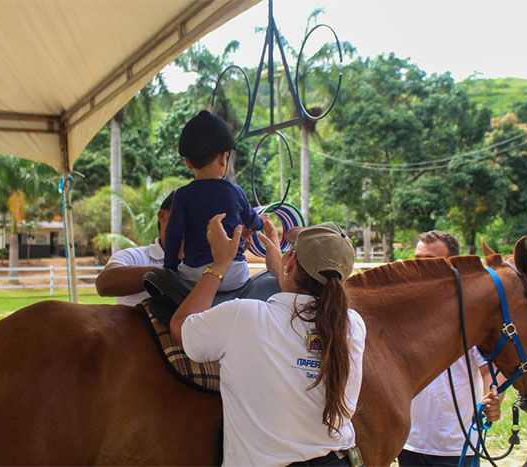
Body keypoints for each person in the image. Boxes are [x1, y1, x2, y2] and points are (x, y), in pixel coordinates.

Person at [169, 215, 366, 466]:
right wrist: (283, 271)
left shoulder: (242, 316)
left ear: (292, 260)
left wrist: (219, 264)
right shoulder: (352, 325)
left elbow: (181, 326)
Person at [398, 230, 504, 467]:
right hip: (409, 443)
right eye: (417, 259)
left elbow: (490, 370)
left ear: (450, 265)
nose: (419, 268)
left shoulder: (469, 314)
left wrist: (494, 397)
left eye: (430, 261)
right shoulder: (405, 314)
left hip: (458, 445)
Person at [163, 110, 263, 292]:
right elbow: (252, 221)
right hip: (234, 273)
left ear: (187, 162)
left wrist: (169, 267)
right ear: (223, 158)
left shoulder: (182, 195)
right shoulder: (235, 191)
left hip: (195, 276)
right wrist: (260, 221)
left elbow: (173, 234)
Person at [95, 191, 174, 306]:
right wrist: (172, 272)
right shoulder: (133, 256)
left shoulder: (207, 265)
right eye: (185, 212)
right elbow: (104, 284)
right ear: (163, 216)